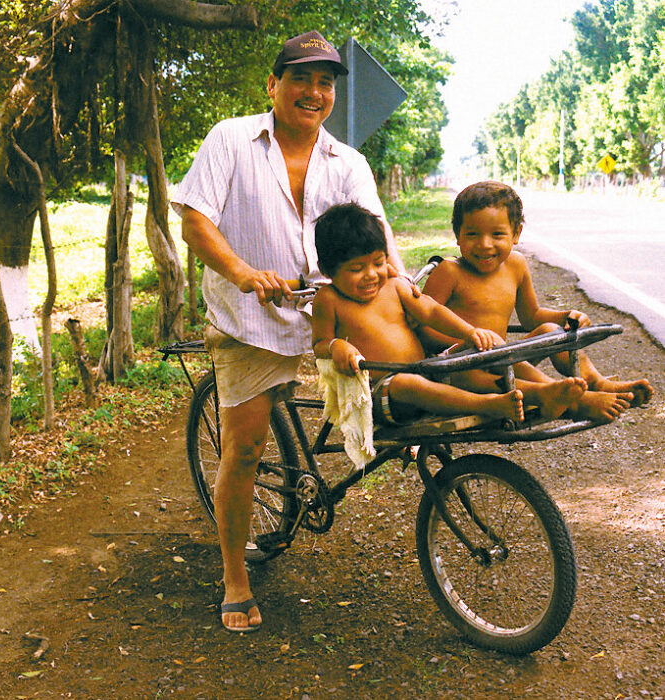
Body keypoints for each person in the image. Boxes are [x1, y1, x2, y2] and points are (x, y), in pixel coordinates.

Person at [171, 31, 409, 633]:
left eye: (326, 82)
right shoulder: (231, 138)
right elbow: (197, 223)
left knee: (405, 386)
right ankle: (234, 576)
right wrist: (245, 273)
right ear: (273, 85)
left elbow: (378, 243)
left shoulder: (347, 162)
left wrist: (408, 291)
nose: (314, 92)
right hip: (250, 317)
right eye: (300, 78)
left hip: (330, 312)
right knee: (246, 448)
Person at [421, 180, 653, 421]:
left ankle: (597, 382)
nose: (485, 244)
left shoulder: (516, 265)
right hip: (457, 366)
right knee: (474, 374)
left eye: (497, 234)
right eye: (472, 234)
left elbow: (532, 317)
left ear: (516, 234)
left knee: (550, 330)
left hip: (502, 357)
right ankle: (566, 398)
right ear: (458, 235)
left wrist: (564, 317)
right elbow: (422, 327)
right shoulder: (449, 271)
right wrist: (471, 339)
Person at [311, 203, 526, 426]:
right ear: (327, 270)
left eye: (378, 262)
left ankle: (540, 388)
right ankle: (487, 404)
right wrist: (336, 345)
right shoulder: (329, 299)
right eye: (356, 269)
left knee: (486, 344)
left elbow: (431, 311)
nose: (371, 275)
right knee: (407, 384)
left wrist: (470, 332)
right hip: (384, 393)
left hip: (426, 372)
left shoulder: (395, 286)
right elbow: (319, 343)